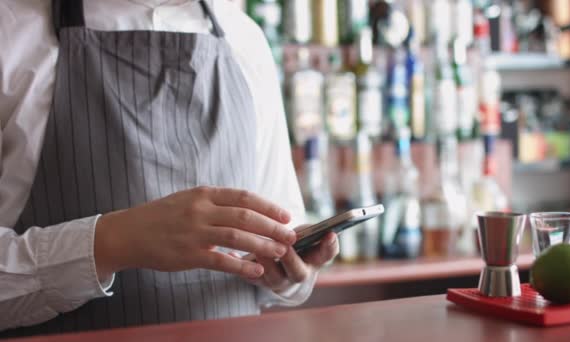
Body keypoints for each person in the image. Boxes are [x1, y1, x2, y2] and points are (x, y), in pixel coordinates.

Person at [0, 0, 339, 337]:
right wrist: (114, 241)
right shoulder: (11, 29)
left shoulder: (245, 38)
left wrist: (290, 276)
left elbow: (280, 236)